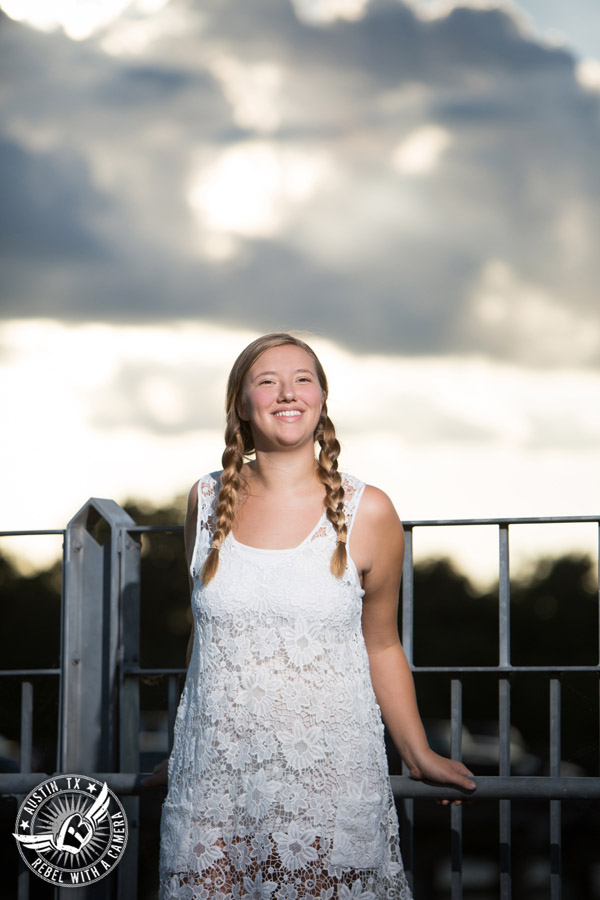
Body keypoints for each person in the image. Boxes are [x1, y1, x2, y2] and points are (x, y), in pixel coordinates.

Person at [143, 332, 476, 899]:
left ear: (322, 399)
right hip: (214, 781)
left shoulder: (368, 510)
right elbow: (212, 642)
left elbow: (382, 644)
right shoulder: (204, 501)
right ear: (241, 405)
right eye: (266, 381)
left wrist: (417, 752)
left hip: (325, 776)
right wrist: (185, 754)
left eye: (303, 379)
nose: (286, 392)